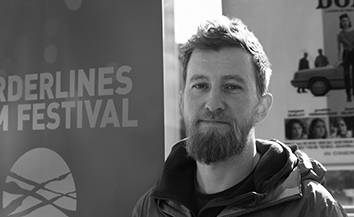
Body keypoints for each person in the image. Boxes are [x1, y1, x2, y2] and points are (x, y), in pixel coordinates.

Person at [132, 16, 348, 217]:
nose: (213, 104)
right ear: (181, 102)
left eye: (231, 86)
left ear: (261, 107)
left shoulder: (312, 207)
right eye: (200, 85)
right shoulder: (150, 208)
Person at [337, 13, 354, 102]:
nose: (345, 23)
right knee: (346, 75)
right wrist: (339, 60)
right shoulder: (340, 35)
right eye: (343, 21)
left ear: (349, 21)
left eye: (346, 21)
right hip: (346, 54)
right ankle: (348, 95)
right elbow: (339, 49)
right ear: (341, 23)